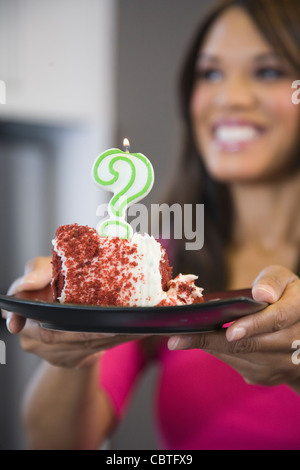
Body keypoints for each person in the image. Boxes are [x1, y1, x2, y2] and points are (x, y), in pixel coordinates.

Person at [3, 0, 300, 449]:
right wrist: (71, 351)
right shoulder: (162, 269)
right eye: (210, 73)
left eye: (269, 71)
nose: (230, 98)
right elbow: (55, 442)